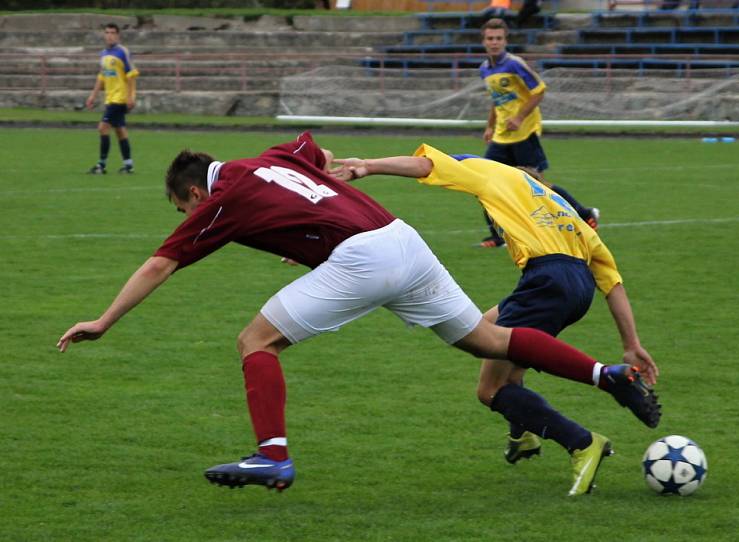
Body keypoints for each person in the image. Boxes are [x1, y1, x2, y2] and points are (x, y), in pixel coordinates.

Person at [57, 132, 658, 497]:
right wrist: (315, 221)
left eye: (181, 207)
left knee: (255, 342)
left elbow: (160, 265)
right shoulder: (273, 156)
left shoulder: (221, 201)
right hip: (401, 238)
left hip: (361, 258)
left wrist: (104, 320)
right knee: (488, 340)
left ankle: (272, 457)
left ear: (192, 194)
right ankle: (609, 375)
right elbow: (316, 152)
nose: (186, 214)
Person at [330, 145, 661, 488]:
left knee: (490, 389)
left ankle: (582, 443)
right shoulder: (564, 208)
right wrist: (631, 344)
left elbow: (425, 164)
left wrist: (368, 166)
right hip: (576, 288)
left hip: (545, 281)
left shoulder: (494, 172)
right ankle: (524, 434)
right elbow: (613, 283)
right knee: (486, 328)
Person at [478, 18, 598, 248]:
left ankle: (584, 213)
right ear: (483, 41)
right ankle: (498, 236)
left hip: (524, 133)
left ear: (505, 40)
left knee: (539, 185)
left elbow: (539, 90)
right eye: (490, 39)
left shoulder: (514, 64)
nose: (494, 43)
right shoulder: (485, 69)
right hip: (502, 136)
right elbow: (496, 100)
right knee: (486, 183)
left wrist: (520, 117)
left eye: (499, 39)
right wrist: (490, 126)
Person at [86, 23, 139, 175]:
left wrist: (131, 97)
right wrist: (93, 95)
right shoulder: (103, 54)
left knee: (103, 128)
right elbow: (101, 77)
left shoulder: (123, 52)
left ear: (118, 35)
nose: (109, 35)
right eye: (107, 32)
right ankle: (128, 165)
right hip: (110, 98)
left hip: (120, 98)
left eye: (112, 33)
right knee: (120, 131)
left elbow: (131, 76)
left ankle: (101, 166)